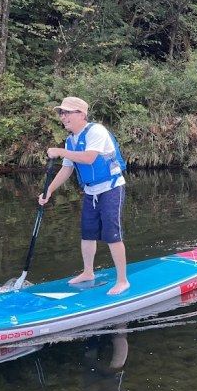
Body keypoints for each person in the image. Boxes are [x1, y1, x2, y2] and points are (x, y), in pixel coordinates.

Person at [38, 97, 129, 295]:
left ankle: (122, 280)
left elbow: (89, 158)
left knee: (112, 235)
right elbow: (67, 169)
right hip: (91, 191)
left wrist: (60, 151)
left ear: (81, 114)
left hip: (111, 188)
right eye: (61, 113)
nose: (63, 117)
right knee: (87, 233)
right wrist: (49, 190)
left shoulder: (96, 131)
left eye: (67, 112)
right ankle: (88, 272)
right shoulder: (71, 140)